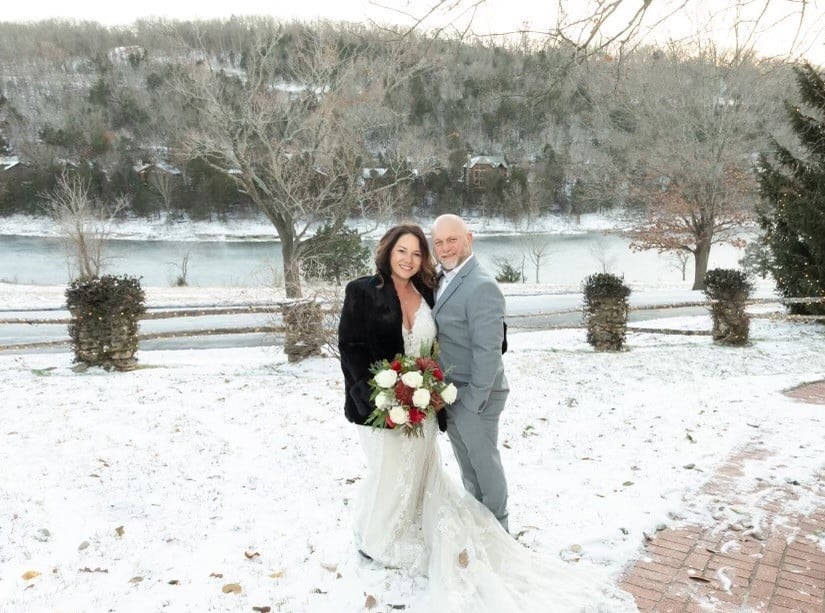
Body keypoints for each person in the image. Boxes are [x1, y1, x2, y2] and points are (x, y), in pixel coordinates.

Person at [339, 222, 635, 612]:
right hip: (380, 406)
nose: (410, 259)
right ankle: (381, 536)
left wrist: (488, 340)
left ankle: (488, 528)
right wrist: (376, 398)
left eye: (416, 252)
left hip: (425, 406)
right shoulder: (363, 291)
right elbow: (352, 348)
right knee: (389, 472)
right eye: (402, 251)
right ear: (387, 252)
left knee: (424, 473)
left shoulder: (427, 288)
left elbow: (480, 330)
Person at [430, 213, 510, 531]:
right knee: (468, 469)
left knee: (485, 468)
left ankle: (501, 535)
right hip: (450, 394)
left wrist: (473, 402)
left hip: (477, 394)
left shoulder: (482, 287)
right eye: (439, 242)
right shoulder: (438, 278)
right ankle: (480, 530)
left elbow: (488, 351)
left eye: (452, 240)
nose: (446, 248)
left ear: (469, 239)